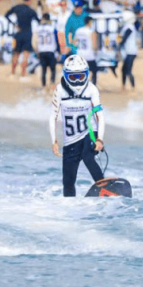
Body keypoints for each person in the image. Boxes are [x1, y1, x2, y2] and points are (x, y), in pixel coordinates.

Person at [49, 55, 106, 197]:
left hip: (89, 133)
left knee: (88, 157)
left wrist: (100, 139)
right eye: (73, 77)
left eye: (80, 76)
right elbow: (53, 116)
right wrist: (54, 141)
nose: (77, 81)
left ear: (86, 74)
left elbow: (100, 115)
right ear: (66, 75)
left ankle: (104, 188)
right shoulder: (59, 91)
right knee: (68, 183)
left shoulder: (92, 89)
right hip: (70, 141)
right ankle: (70, 206)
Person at [5, 0, 40, 80]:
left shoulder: (17, 8)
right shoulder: (31, 11)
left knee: (16, 53)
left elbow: (6, 15)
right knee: (25, 55)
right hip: (27, 33)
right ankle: (23, 75)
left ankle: (12, 73)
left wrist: (13, 24)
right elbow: (39, 21)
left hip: (19, 31)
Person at [73, 16, 98, 84]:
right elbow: (94, 46)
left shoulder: (78, 30)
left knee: (80, 73)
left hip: (80, 55)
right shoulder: (91, 32)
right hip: (89, 55)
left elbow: (75, 43)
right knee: (94, 71)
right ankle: (93, 86)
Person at [36, 13, 58, 89]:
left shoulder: (38, 28)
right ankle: (52, 84)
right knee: (53, 69)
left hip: (42, 50)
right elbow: (56, 40)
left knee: (43, 70)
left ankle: (43, 86)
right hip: (50, 50)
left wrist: (37, 50)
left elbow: (35, 40)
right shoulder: (52, 28)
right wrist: (58, 50)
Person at [119, 11, 138, 91]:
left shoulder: (129, 27)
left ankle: (133, 87)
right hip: (127, 51)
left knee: (128, 70)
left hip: (131, 52)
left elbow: (125, 37)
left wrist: (120, 44)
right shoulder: (127, 27)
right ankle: (123, 86)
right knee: (123, 69)